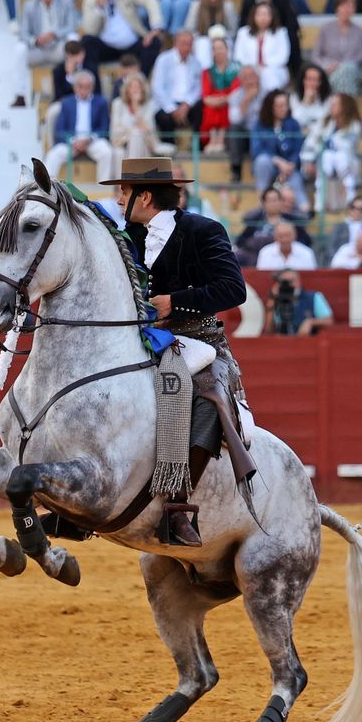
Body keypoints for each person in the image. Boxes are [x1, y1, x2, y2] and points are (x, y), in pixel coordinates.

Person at [106, 156, 250, 547]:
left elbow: (234, 290)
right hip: (139, 337)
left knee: (208, 400)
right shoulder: (125, 237)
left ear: (145, 196)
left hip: (198, 339)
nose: (119, 200)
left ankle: (177, 507)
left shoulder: (203, 230)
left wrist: (177, 302)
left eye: (123, 192)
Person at [78, 0, 162, 73]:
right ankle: (95, 88)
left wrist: (156, 27)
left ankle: (140, 81)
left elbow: (150, 0)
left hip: (131, 44)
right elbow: (90, 30)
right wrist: (99, 7)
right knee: (87, 42)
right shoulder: (90, 0)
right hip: (106, 46)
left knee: (154, 42)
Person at [45, 69, 113, 179]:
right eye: (81, 86)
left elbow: (104, 126)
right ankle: (47, 190)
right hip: (71, 141)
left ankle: (103, 190)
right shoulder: (66, 102)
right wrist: (73, 141)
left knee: (107, 152)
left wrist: (90, 138)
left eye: (88, 86)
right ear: (75, 87)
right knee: (53, 155)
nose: (84, 90)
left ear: (92, 87)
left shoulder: (101, 102)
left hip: (92, 140)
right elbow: (60, 129)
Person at [151, 28, 202, 151]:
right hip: (168, 104)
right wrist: (172, 109)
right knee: (163, 118)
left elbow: (198, 88)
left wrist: (187, 104)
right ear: (176, 43)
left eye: (189, 44)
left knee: (202, 109)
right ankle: (169, 150)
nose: (187, 47)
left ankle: (196, 147)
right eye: (184, 43)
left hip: (187, 105)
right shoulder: (163, 60)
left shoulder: (196, 62)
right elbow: (157, 87)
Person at [233, 0, 289, 98]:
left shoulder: (281, 32)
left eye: (266, 15)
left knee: (268, 75)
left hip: (273, 69)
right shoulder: (243, 33)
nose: (263, 18)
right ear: (254, 16)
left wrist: (264, 65)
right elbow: (239, 56)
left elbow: (282, 57)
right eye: (259, 14)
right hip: (249, 70)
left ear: (272, 16)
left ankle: (270, 102)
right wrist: (253, 67)